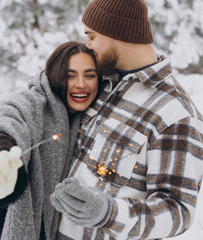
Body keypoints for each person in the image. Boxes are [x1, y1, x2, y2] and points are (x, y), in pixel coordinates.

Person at [49, 0, 203, 239]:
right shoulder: (100, 83)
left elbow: (177, 210)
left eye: (92, 36)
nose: (87, 46)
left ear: (118, 33)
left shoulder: (176, 114)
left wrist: (108, 213)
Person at [0, 41, 102, 240]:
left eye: (89, 75)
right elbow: (6, 126)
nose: (81, 84)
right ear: (55, 75)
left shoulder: (95, 116)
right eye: (70, 75)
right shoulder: (30, 102)